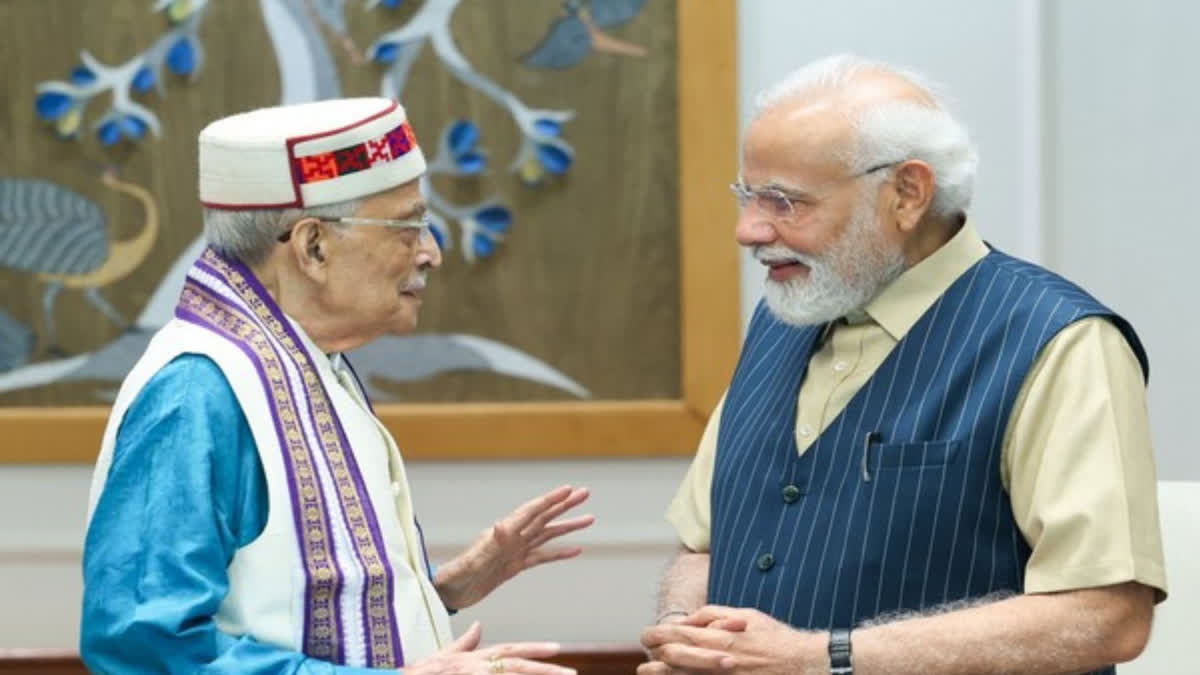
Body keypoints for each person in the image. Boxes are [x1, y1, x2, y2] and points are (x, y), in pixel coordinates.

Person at [639, 54, 1167, 675]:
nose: (749, 229)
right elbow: (703, 545)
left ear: (908, 194)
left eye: (784, 202)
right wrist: (685, 636)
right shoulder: (781, 319)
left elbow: (1106, 615)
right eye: (749, 197)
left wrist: (820, 659)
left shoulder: (1059, 342)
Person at [82, 97, 593, 675]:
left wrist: (440, 591)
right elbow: (142, 652)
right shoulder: (197, 393)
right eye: (409, 227)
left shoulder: (307, 361)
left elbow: (280, 603)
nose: (431, 253)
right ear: (313, 247)